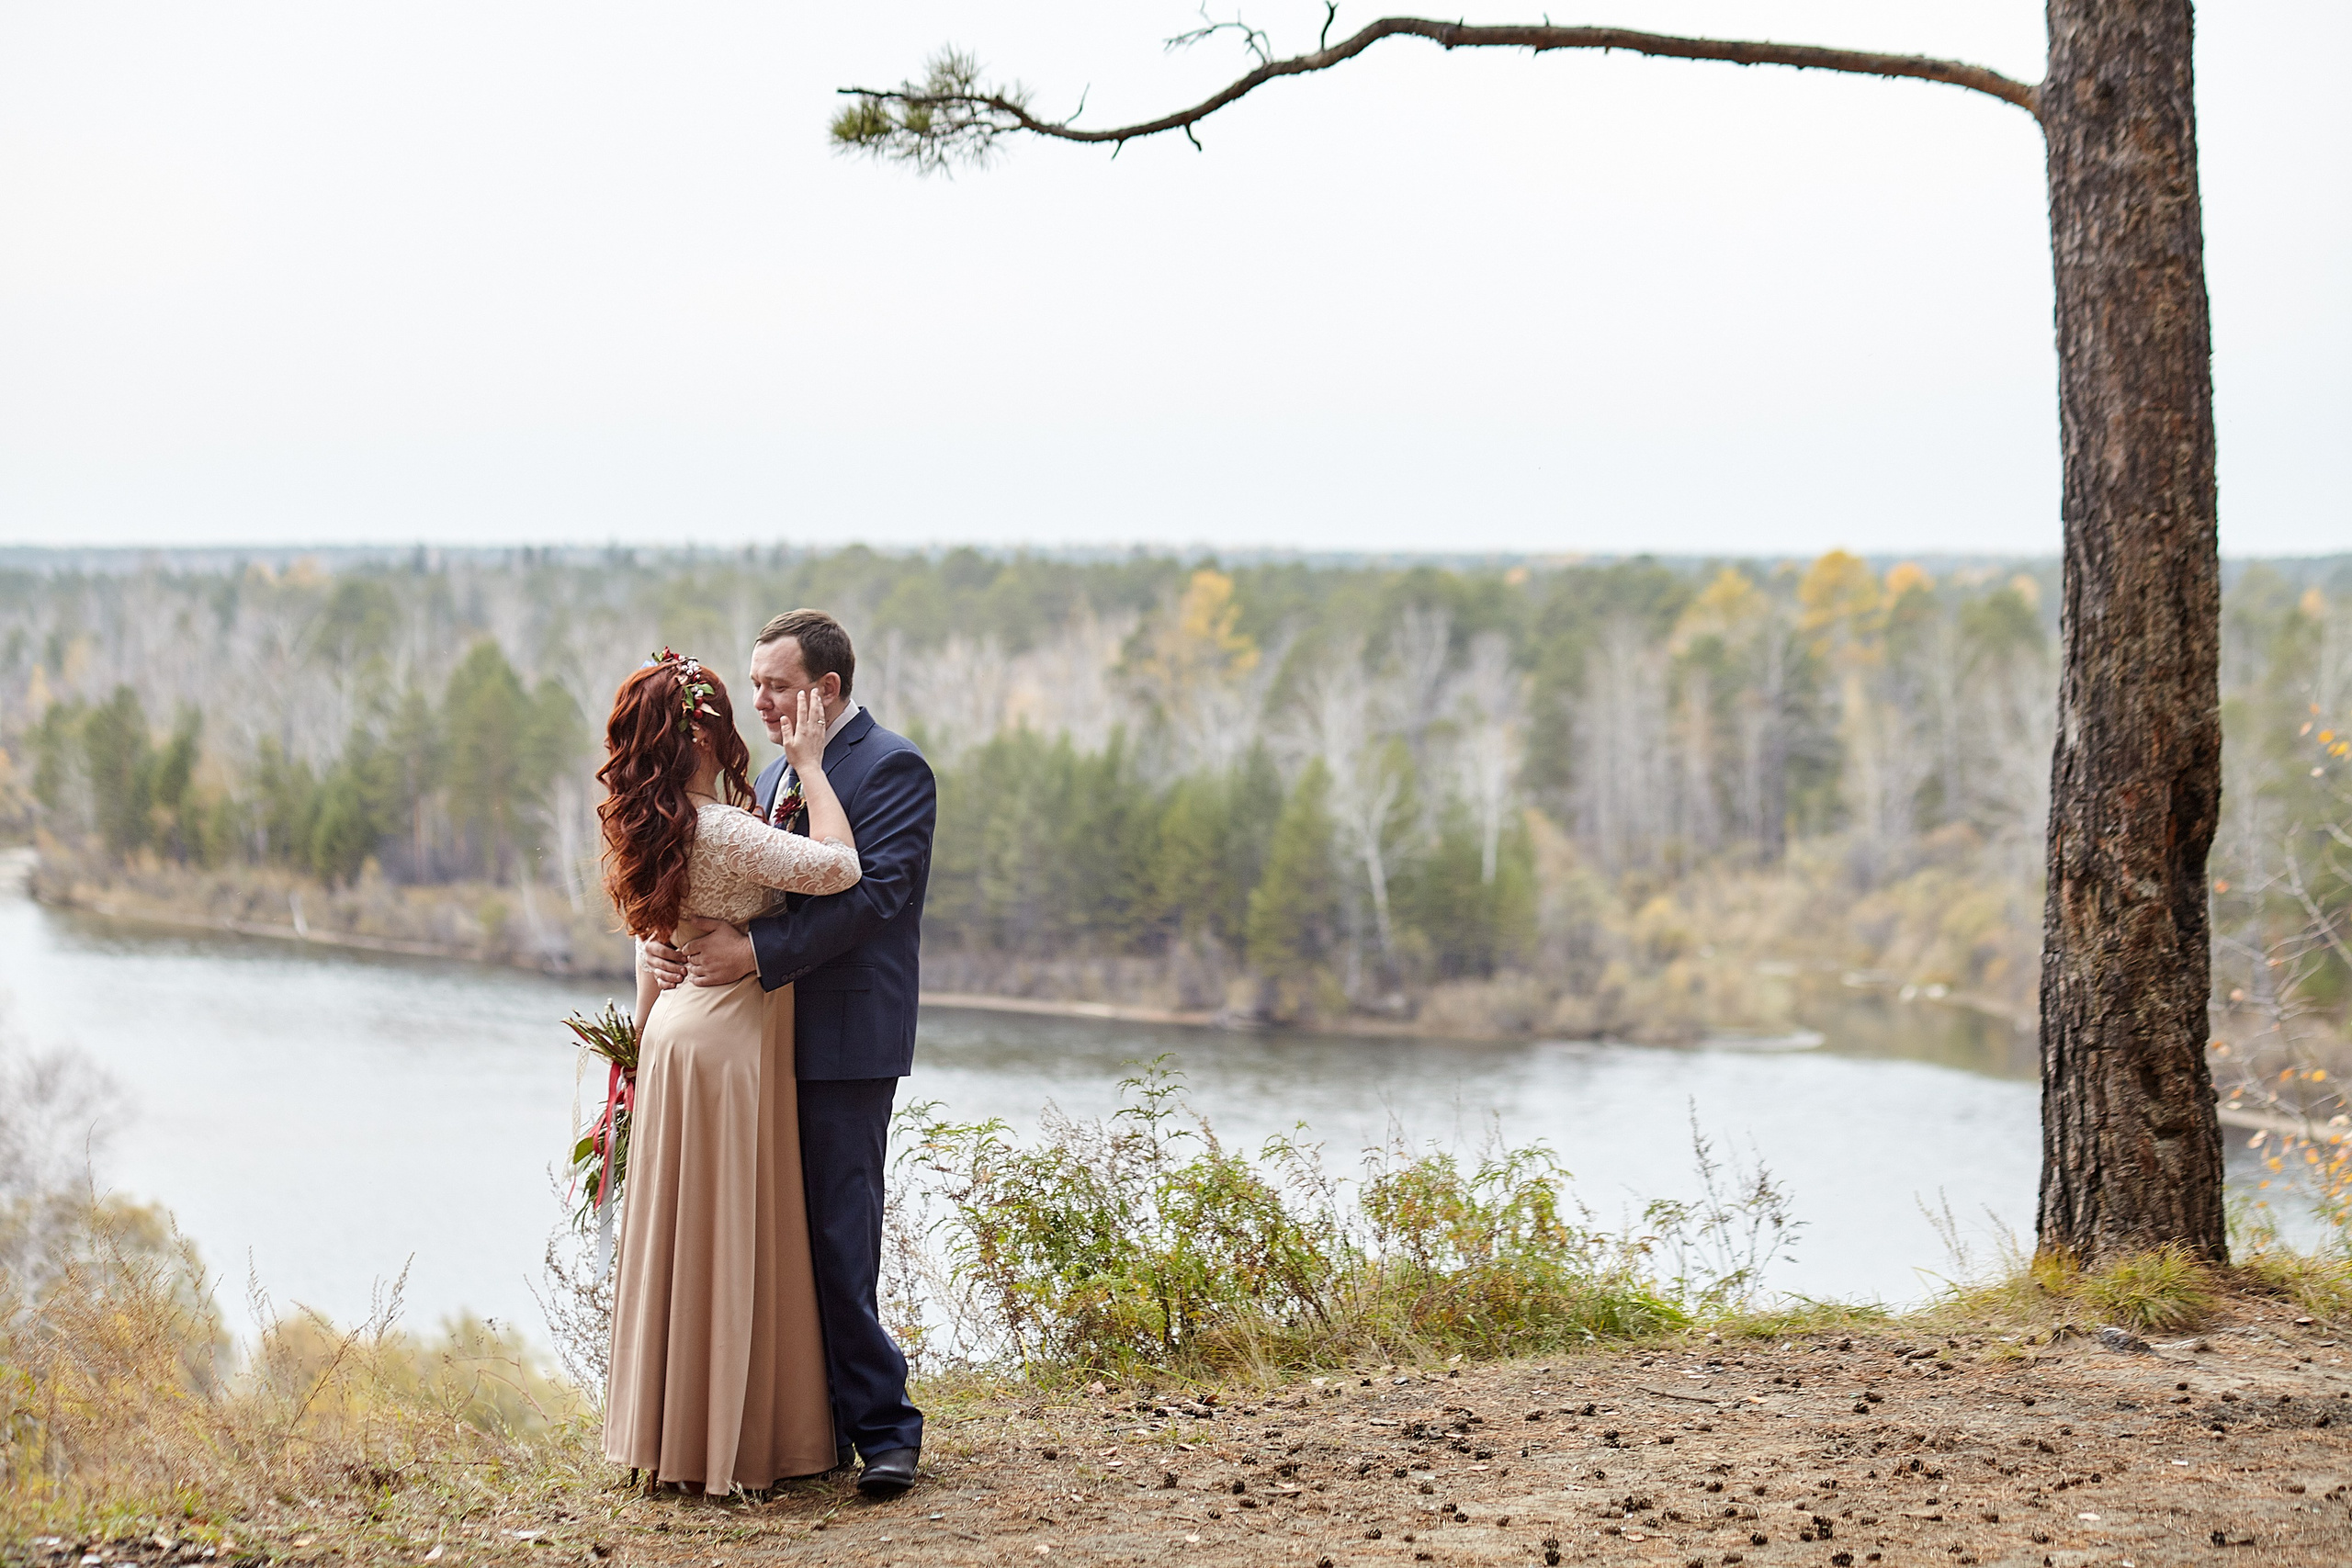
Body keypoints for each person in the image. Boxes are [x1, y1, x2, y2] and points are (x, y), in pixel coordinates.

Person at [641, 609, 934, 1498]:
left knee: (841, 1243)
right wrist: (677, 943)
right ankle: (807, 1430)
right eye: (756, 684)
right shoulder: (772, 774)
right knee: (777, 1248)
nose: (759, 702)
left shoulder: (892, 769)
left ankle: (887, 1435)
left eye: (775, 686)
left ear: (827, 689)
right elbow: (751, 887)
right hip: (757, 1044)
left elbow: (869, 898)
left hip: (844, 1039)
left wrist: (756, 958)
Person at [597, 650, 861, 1494]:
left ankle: (670, 1435)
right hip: (728, 1039)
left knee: (681, 1233)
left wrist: (644, 1028)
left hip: (676, 1034)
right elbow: (841, 868)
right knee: (731, 1232)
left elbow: (650, 942)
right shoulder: (724, 828)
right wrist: (815, 770)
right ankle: (739, 1445)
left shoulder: (650, 824)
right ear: (707, 736)